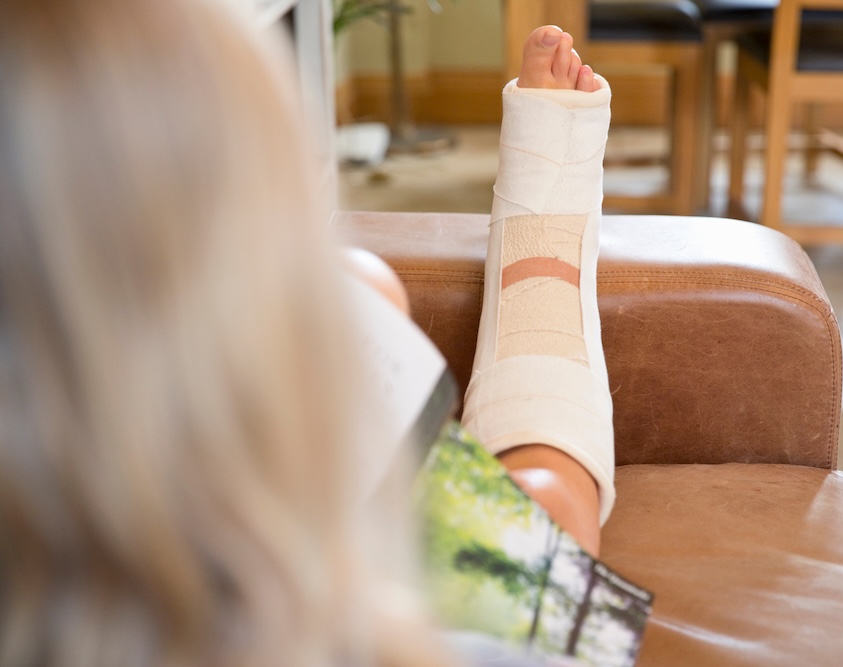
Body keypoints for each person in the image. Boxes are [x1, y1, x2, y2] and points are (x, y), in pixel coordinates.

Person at [0, 0, 613, 663]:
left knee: (365, 284)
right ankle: (538, 283)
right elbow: (557, 600)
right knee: (552, 508)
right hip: (258, 505)